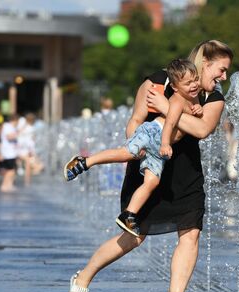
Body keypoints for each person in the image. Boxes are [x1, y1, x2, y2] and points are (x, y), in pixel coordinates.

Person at [67, 40, 233, 292]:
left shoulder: (214, 97)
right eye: (222, 69)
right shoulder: (159, 81)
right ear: (206, 63)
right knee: (134, 237)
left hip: (186, 171)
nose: (224, 77)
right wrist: (137, 144)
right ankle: (83, 278)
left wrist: (167, 108)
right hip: (149, 165)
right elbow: (135, 120)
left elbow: (203, 129)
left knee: (191, 233)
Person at [64, 59, 203, 237]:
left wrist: (197, 108)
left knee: (152, 182)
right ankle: (84, 161)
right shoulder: (177, 101)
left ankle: (128, 214)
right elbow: (170, 123)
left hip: (157, 147)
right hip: (154, 134)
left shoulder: (189, 98)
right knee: (125, 153)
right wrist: (166, 143)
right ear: (175, 88)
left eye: (196, 80)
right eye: (188, 83)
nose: (194, 85)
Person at [0, 113, 20, 192]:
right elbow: (9, 137)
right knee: (10, 170)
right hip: (8, 153)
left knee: (11, 170)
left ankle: (9, 185)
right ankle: (4, 185)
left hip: (11, 152)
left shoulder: (10, 127)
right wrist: (18, 133)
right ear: (14, 120)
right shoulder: (7, 126)